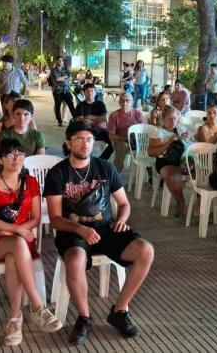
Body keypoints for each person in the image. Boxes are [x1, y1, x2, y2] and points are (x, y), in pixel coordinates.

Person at [44, 121, 155, 345]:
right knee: (75, 259)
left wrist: (122, 221)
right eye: (79, 139)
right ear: (68, 142)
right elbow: (55, 219)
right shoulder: (58, 173)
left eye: (89, 139)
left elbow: (124, 204)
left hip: (106, 228)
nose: (86, 144)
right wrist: (80, 229)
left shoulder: (105, 167)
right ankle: (84, 318)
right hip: (73, 230)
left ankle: (120, 310)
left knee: (146, 250)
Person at [0, 138, 62, 345]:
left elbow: (36, 218)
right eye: (11, 155)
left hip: (19, 242)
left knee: (15, 255)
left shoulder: (31, 183)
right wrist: (15, 230)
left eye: (20, 154)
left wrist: (18, 232)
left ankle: (14, 319)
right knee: (18, 244)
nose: (16, 159)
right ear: (1, 159)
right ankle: (38, 308)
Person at [147, 106, 190, 217]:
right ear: (163, 119)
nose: (173, 121)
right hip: (165, 161)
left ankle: (199, 203)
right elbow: (151, 153)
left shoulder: (182, 128)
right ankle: (180, 200)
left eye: (175, 118)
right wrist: (169, 141)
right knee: (173, 176)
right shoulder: (158, 132)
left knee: (202, 174)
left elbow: (191, 146)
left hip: (182, 160)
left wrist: (188, 139)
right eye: (169, 119)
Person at [72, 84, 113, 160]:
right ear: (84, 93)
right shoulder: (80, 105)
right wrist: (97, 119)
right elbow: (80, 120)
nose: (90, 93)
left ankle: (101, 160)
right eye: (87, 91)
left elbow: (105, 118)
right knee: (85, 145)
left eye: (92, 91)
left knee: (114, 142)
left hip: (101, 131)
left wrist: (90, 117)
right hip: (87, 131)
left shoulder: (100, 104)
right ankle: (88, 161)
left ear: (95, 92)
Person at [107, 94, 144, 172]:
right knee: (122, 146)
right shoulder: (114, 116)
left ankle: (148, 172)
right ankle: (115, 174)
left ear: (132, 102)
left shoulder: (138, 114)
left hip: (136, 141)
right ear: (119, 102)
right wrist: (125, 138)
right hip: (121, 141)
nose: (125, 103)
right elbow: (111, 136)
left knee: (148, 148)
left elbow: (143, 130)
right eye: (122, 101)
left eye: (127, 100)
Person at [50, 57, 76, 126]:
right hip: (58, 91)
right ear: (56, 61)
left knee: (71, 105)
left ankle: (76, 119)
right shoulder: (53, 70)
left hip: (66, 91)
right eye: (59, 60)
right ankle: (59, 121)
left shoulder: (65, 69)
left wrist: (63, 78)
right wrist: (65, 77)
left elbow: (70, 78)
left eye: (61, 60)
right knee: (58, 106)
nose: (60, 62)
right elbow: (57, 79)